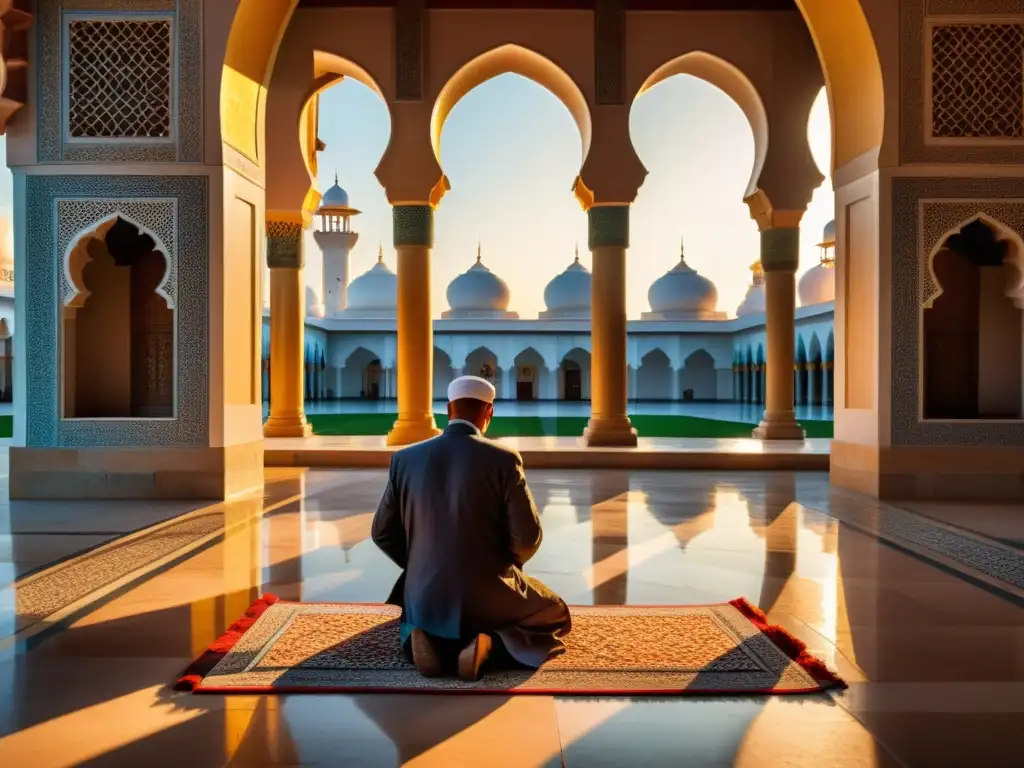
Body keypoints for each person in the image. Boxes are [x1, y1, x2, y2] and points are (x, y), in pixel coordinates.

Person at [371, 375, 572, 681]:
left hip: (425, 592)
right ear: (488, 413)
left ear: (449, 409)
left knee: (412, 617)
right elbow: (527, 538)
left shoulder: (405, 458)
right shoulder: (504, 459)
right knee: (555, 611)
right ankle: (492, 646)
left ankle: (419, 642)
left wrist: (420, 564)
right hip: (490, 593)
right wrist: (505, 567)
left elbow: (382, 532)